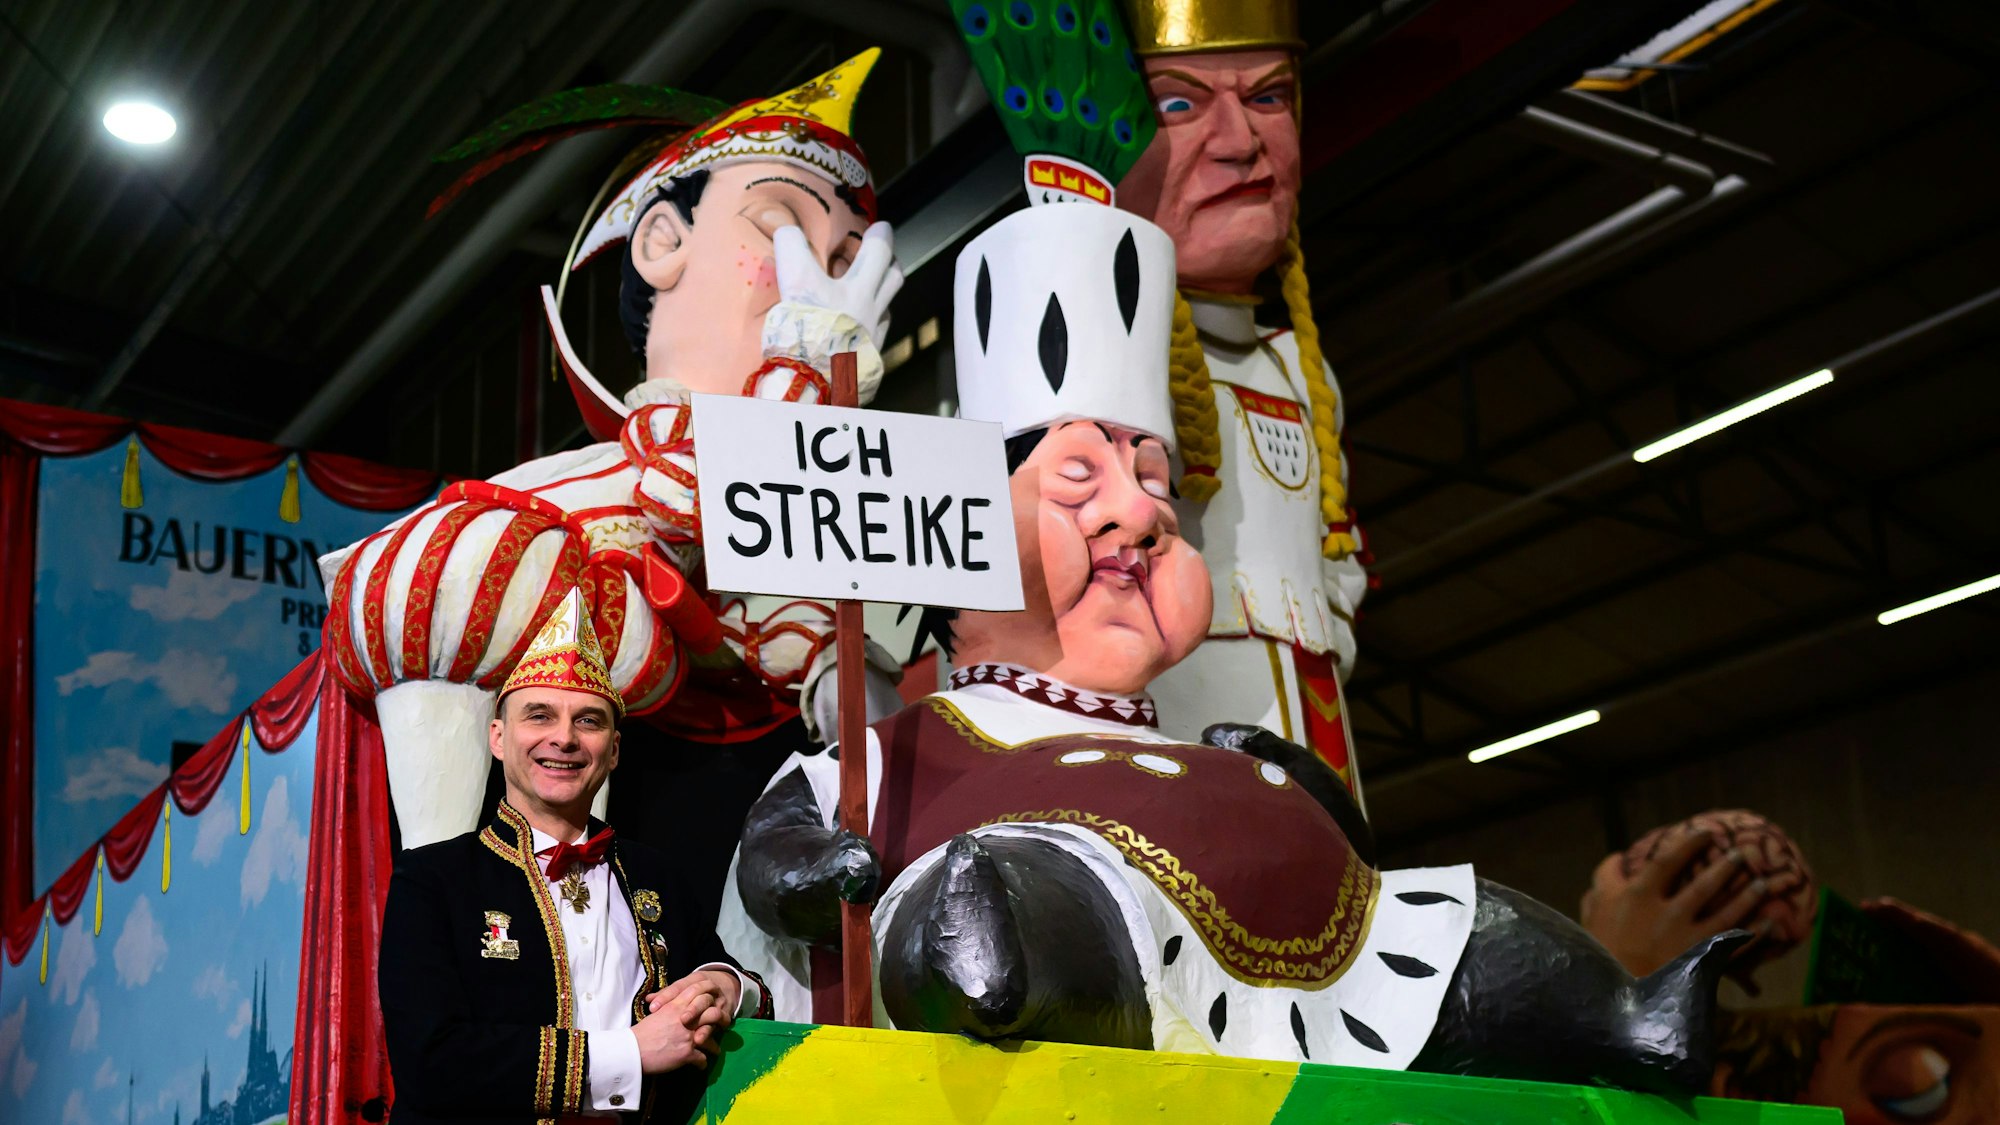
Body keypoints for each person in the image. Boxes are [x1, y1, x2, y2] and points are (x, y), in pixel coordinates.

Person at [715, 190, 1743, 1093]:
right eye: (1079, 483)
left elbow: (1348, 850)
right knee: (1026, 891)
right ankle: (997, 965)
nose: (1139, 514)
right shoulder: (911, 746)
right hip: (1067, 940)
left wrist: (1295, 792)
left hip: (1323, 959)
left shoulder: (1200, 740)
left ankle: (1622, 1018)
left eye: (1155, 484)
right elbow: (781, 844)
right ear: (972, 535)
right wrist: (812, 867)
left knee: (1446, 923)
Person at [319, 51, 904, 855]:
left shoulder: (862, 540)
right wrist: (802, 366)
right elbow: (690, 505)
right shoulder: (542, 502)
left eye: (845, 262)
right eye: (780, 228)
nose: (818, 286)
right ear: (663, 240)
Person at [378, 586, 770, 1125]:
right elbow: (430, 1063)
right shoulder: (433, 879)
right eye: (539, 716)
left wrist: (727, 985)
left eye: (588, 720)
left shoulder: (657, 875)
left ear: (612, 750)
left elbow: (736, 977)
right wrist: (629, 1053)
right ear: (497, 737)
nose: (564, 738)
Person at [1114, 0, 1371, 799]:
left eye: (1269, 96)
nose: (1241, 143)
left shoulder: (1303, 366)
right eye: (1179, 105)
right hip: (1176, 743)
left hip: (1318, 727)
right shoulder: (1089, 358)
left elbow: (1338, 561)